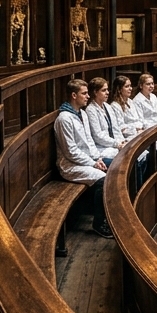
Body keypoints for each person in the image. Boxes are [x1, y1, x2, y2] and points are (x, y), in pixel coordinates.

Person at [54, 79, 114, 238]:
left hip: (88, 160)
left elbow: (89, 140)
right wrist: (93, 163)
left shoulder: (82, 113)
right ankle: (99, 223)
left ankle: (112, 215)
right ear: (74, 95)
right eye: (84, 93)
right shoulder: (64, 118)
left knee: (116, 166)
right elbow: (70, 152)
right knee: (103, 179)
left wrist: (97, 158)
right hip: (70, 166)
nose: (88, 96)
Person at [85, 77, 127, 160]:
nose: (107, 93)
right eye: (104, 90)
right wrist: (117, 144)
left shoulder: (107, 106)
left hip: (116, 144)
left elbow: (116, 128)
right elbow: (98, 136)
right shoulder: (90, 110)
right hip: (103, 147)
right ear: (95, 92)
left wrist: (122, 141)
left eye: (107, 90)